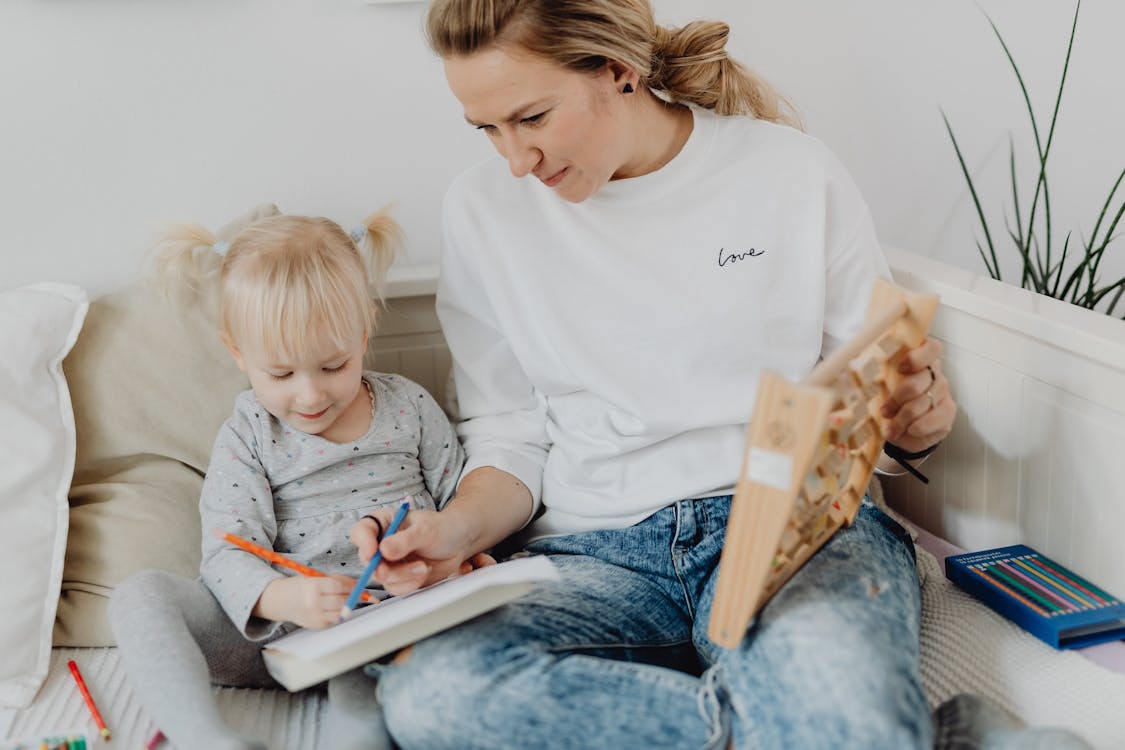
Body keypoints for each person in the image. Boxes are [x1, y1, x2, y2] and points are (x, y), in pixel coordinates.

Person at [355, 3, 1089, 749]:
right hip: (595, 553)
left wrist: (915, 423)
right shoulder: (481, 212)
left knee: (831, 690)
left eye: (533, 118)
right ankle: (920, 737)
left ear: (618, 70)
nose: (515, 159)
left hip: (799, 537)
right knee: (432, 692)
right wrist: (452, 529)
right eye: (486, 128)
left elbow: (877, 397)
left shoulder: (789, 171)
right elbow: (507, 434)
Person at [109, 212, 482, 750]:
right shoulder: (250, 434)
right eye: (281, 375)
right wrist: (283, 598)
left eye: (334, 365)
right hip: (268, 626)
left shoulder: (409, 408)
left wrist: (466, 559)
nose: (310, 397)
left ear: (364, 331)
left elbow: (460, 509)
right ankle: (205, 739)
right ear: (238, 353)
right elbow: (226, 550)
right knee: (139, 596)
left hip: (378, 623)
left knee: (369, 707)